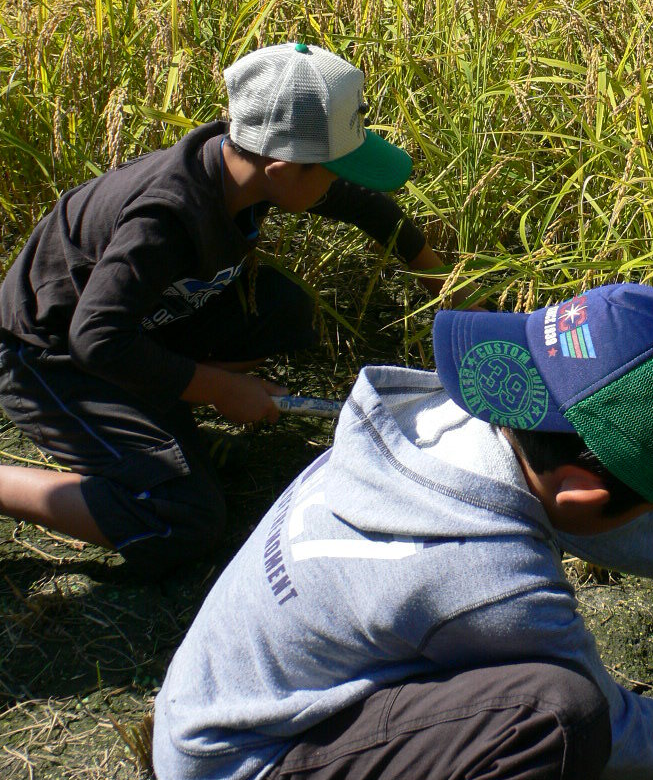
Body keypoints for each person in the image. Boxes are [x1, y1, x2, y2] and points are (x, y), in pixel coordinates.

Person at [152, 281, 653, 780]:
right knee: (557, 719)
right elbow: (619, 734)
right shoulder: (488, 580)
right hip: (245, 775)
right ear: (584, 499)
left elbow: (606, 512)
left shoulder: (434, 422)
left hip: (209, 707)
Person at [0, 41, 471, 575]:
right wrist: (222, 388)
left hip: (141, 326)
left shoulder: (245, 166)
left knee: (284, 311)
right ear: (280, 169)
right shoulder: (165, 220)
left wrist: (446, 285)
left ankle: (166, 421)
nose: (342, 182)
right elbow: (96, 340)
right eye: (335, 170)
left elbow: (365, 205)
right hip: (49, 358)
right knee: (184, 520)